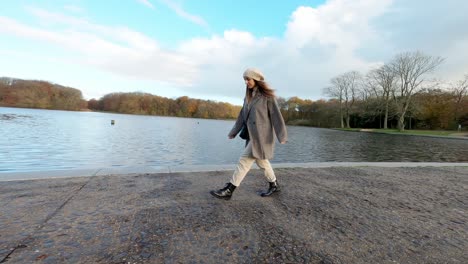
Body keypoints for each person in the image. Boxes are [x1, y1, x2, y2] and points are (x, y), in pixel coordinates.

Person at [210, 68, 288, 200]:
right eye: (244, 80)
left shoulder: (267, 97)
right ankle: (274, 185)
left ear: (256, 79)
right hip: (252, 136)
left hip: (262, 137)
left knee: (244, 160)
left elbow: (276, 116)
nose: (246, 82)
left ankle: (230, 189)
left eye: (248, 79)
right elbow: (242, 116)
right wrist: (233, 132)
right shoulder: (248, 97)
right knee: (262, 162)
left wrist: (282, 135)